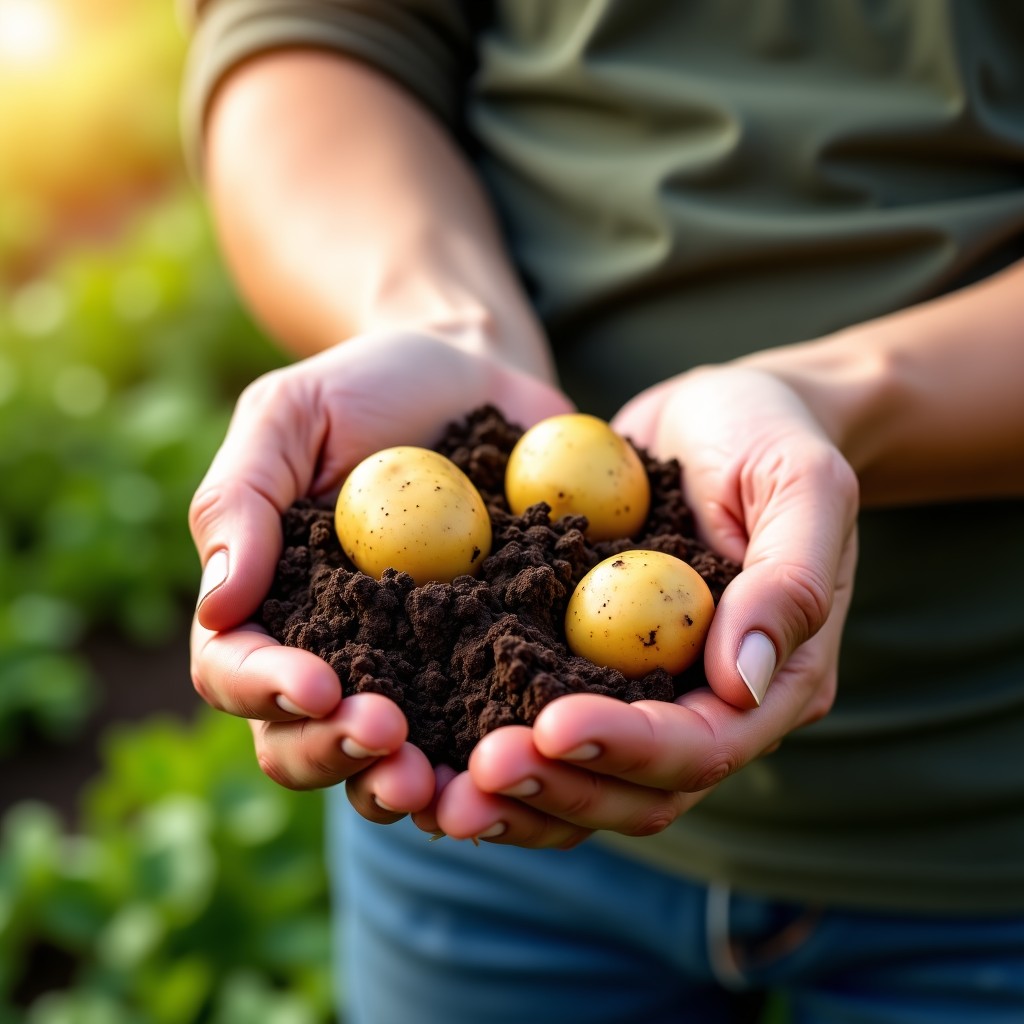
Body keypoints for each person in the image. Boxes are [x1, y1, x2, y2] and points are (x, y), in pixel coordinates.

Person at [182, 3, 1024, 1022]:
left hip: (984, 832)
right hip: (479, 830)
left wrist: (842, 399)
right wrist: (445, 322)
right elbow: (316, 31)